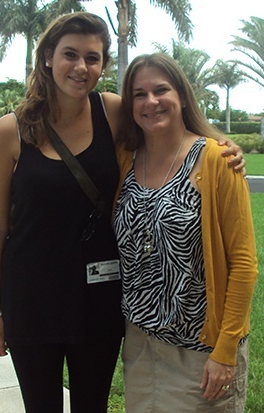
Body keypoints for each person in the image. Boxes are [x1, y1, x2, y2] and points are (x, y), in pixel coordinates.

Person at [0, 11, 244, 413]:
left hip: (99, 299)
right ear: (48, 56)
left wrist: (222, 144)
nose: (81, 67)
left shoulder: (111, 110)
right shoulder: (10, 130)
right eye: (70, 54)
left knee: (93, 405)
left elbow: (169, 119)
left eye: (92, 58)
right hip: (31, 301)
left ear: (103, 65)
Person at [113, 53, 258, 413]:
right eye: (139, 94)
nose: (151, 102)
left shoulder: (216, 160)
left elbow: (243, 263)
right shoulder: (125, 159)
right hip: (141, 344)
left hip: (201, 352)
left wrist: (225, 352)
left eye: (161, 90)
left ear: (182, 95)